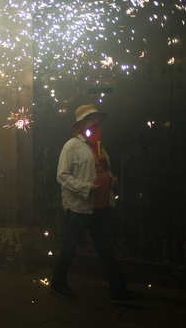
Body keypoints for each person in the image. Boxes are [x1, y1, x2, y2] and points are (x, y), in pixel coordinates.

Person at [50, 104, 143, 304]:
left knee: (106, 249)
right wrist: (85, 188)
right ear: (82, 124)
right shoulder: (71, 146)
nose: (96, 122)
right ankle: (58, 282)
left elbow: (103, 170)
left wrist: (112, 180)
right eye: (91, 118)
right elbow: (62, 176)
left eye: (97, 118)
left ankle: (118, 289)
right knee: (70, 246)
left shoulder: (100, 147)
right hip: (80, 207)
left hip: (100, 207)